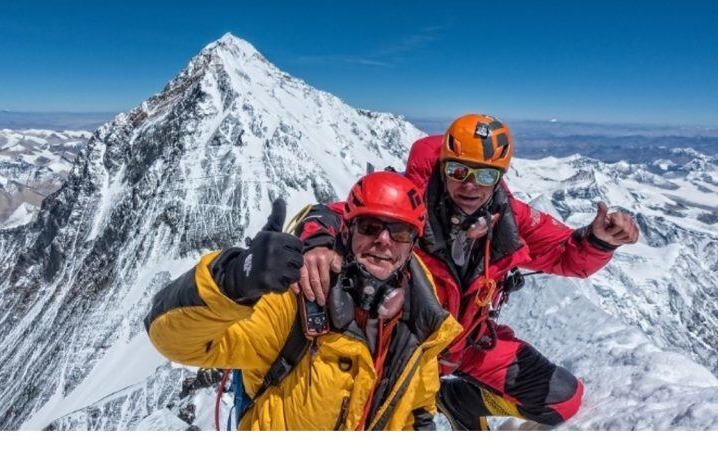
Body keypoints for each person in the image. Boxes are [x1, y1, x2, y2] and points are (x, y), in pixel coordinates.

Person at [293, 114, 640, 429]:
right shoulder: (411, 199)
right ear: (443, 167)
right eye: (458, 171)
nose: (470, 185)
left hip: (469, 342)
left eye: (485, 175)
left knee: (563, 400)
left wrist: (599, 241)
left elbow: (566, 255)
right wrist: (318, 242)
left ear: (500, 178)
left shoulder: (509, 219)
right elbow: (339, 215)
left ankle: (458, 400)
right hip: (405, 346)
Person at [145, 171, 462, 430]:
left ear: (413, 245)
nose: (383, 241)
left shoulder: (419, 314)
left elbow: (419, 395)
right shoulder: (297, 299)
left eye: (400, 233)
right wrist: (230, 281)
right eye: (370, 227)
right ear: (348, 231)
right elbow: (174, 341)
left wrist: (420, 424)